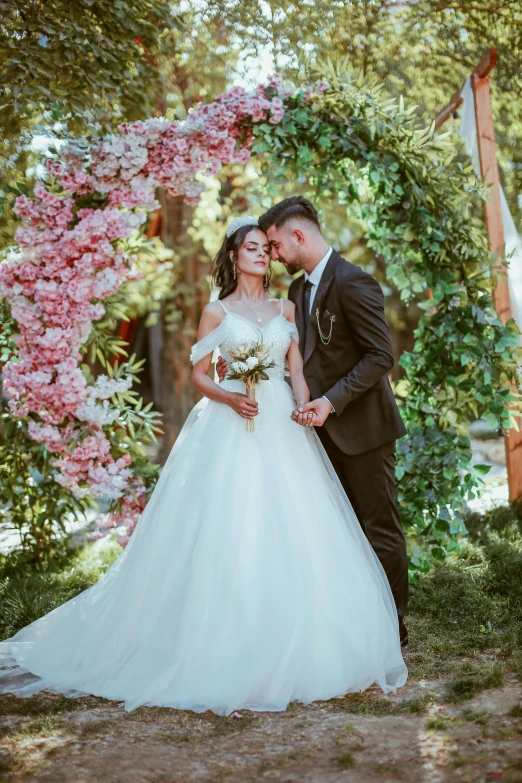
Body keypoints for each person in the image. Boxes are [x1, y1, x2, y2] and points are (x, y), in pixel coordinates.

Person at [0, 216, 407, 716]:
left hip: (281, 420)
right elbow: (197, 374)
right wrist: (232, 398)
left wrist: (306, 407)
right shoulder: (216, 312)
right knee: (229, 520)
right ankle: (218, 634)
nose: (263, 254)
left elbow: (297, 368)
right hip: (232, 420)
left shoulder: (287, 305)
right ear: (234, 257)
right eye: (253, 247)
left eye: (266, 247)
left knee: (297, 521)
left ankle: (307, 628)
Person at [217, 198, 409, 646]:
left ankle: (393, 629)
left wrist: (331, 401)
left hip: (362, 429)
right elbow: (300, 359)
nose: (274, 254)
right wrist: (248, 369)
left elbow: (381, 356)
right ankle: (354, 621)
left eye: (277, 244)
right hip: (314, 431)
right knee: (339, 531)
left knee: (377, 529)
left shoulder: (354, 282)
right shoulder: (299, 292)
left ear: (298, 236)